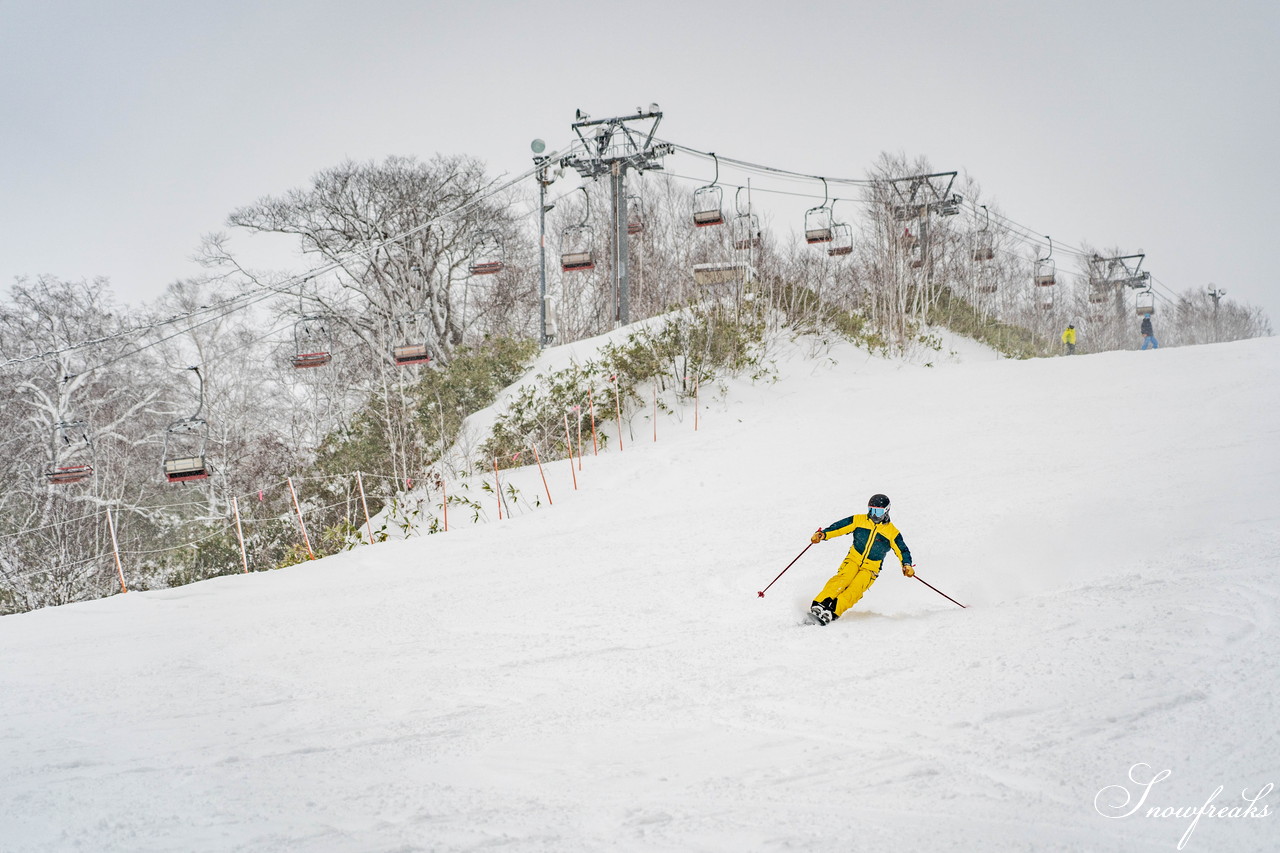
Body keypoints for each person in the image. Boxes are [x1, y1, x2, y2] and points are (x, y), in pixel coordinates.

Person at [807, 494, 914, 625]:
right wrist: (823, 534)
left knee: (855, 589)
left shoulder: (892, 532)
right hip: (853, 559)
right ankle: (820, 604)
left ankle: (833, 610)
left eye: (878, 511)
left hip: (871, 568)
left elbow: (902, 550)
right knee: (843, 578)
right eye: (871, 510)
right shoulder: (859, 520)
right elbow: (839, 527)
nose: (874, 515)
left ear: (886, 511)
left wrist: (906, 564)